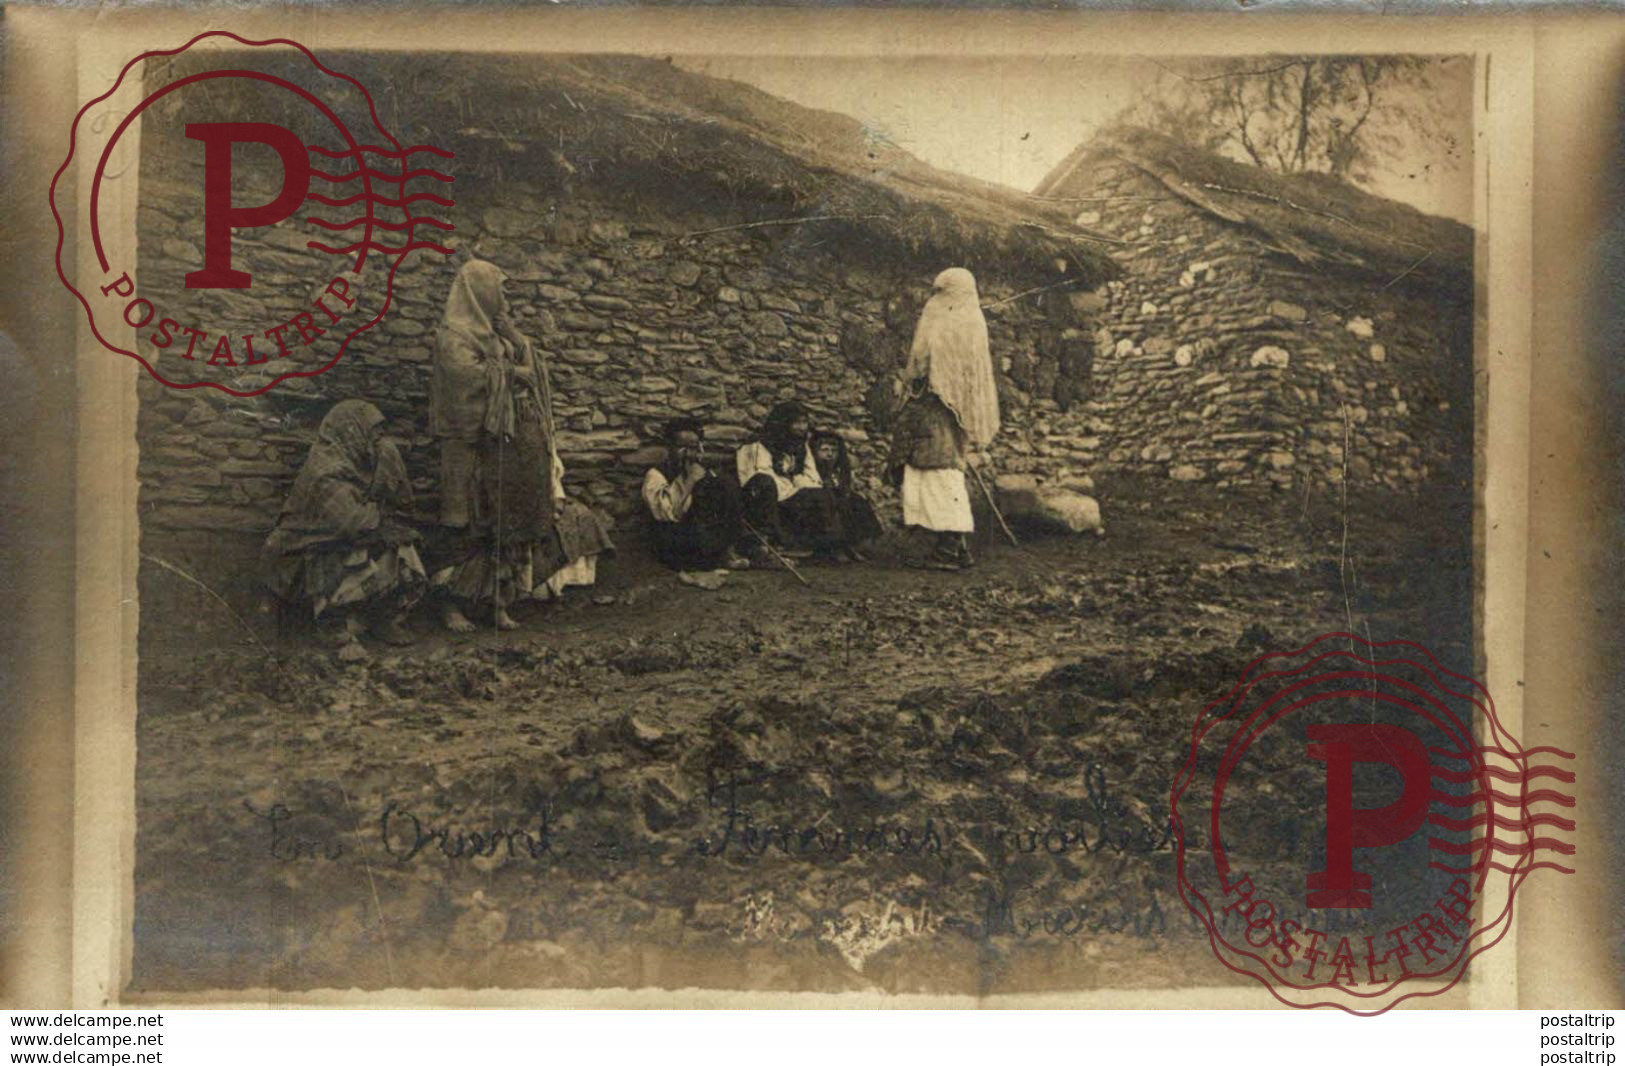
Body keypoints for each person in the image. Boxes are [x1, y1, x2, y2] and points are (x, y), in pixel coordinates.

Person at [428, 258, 555, 632]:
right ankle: (451, 606)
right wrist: (515, 374)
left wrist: (515, 336)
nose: (503, 298)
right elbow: (465, 380)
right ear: (479, 291)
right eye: (498, 290)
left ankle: (495, 604)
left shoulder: (494, 334)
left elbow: (528, 366)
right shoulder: (453, 336)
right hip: (465, 443)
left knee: (498, 522)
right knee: (461, 524)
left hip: (499, 445)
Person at [264, 399, 425, 654]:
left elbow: (396, 503)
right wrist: (379, 515)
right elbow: (349, 524)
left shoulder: (362, 462)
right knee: (341, 552)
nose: (377, 440)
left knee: (401, 545)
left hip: (351, 534)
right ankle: (332, 624)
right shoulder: (325, 469)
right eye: (371, 433)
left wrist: (386, 472)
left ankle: (384, 617)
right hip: (302, 552)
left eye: (378, 433)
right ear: (351, 430)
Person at [887, 267, 1001, 570]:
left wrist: (914, 383)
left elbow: (925, 365)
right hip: (955, 417)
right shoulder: (974, 320)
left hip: (935, 411)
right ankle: (956, 546)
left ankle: (948, 548)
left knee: (935, 474)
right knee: (946, 475)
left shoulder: (944, 319)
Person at [735, 401, 843, 560]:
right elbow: (760, 475)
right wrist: (791, 485)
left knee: (823, 495)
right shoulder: (759, 445)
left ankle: (824, 546)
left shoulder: (800, 446)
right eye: (797, 423)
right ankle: (778, 544)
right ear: (784, 423)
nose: (802, 427)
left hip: (790, 490)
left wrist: (799, 483)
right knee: (772, 486)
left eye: (804, 422)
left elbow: (810, 473)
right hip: (765, 494)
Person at [642, 417, 751, 573]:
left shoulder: (699, 467)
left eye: (692, 446)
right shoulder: (656, 475)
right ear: (670, 447)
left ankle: (727, 550)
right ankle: (714, 557)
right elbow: (668, 514)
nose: (687, 453)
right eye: (681, 447)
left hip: (701, 532)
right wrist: (690, 480)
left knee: (725, 483)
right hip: (673, 537)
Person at [534, 449, 616, 602]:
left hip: (549, 499)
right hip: (527, 501)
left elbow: (554, 479)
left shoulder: (545, 445)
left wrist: (557, 503)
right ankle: (542, 583)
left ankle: (575, 579)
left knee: (583, 516)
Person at [811, 430, 882, 561]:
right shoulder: (811, 468)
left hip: (837, 496)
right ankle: (835, 547)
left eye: (833, 451)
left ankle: (856, 544)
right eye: (824, 450)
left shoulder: (839, 469)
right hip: (817, 500)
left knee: (856, 501)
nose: (830, 454)